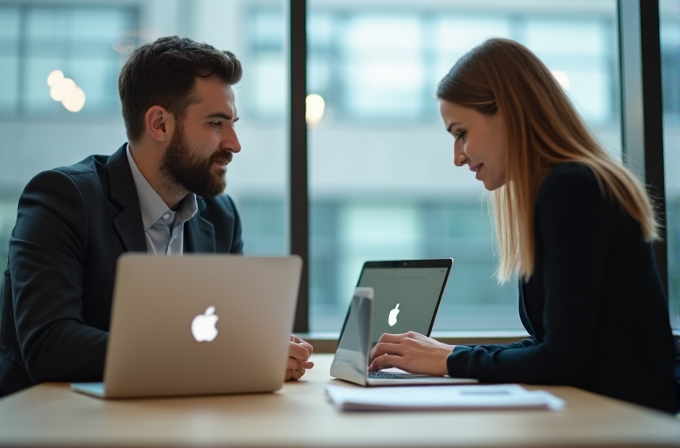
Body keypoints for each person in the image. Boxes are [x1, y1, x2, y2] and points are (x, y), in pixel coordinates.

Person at [369, 38, 679, 414]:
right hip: (603, 414)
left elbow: (561, 359)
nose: (457, 157)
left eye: (460, 133)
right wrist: (450, 354)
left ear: (508, 113)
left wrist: (450, 360)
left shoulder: (572, 188)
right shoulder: (563, 187)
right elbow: (551, 344)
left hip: (623, 424)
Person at [0, 36, 313, 397]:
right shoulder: (62, 198)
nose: (234, 143)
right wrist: (208, 359)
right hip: (56, 422)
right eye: (216, 124)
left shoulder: (222, 216)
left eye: (232, 123)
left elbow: (225, 332)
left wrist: (262, 348)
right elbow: (49, 344)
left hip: (177, 417)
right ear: (159, 124)